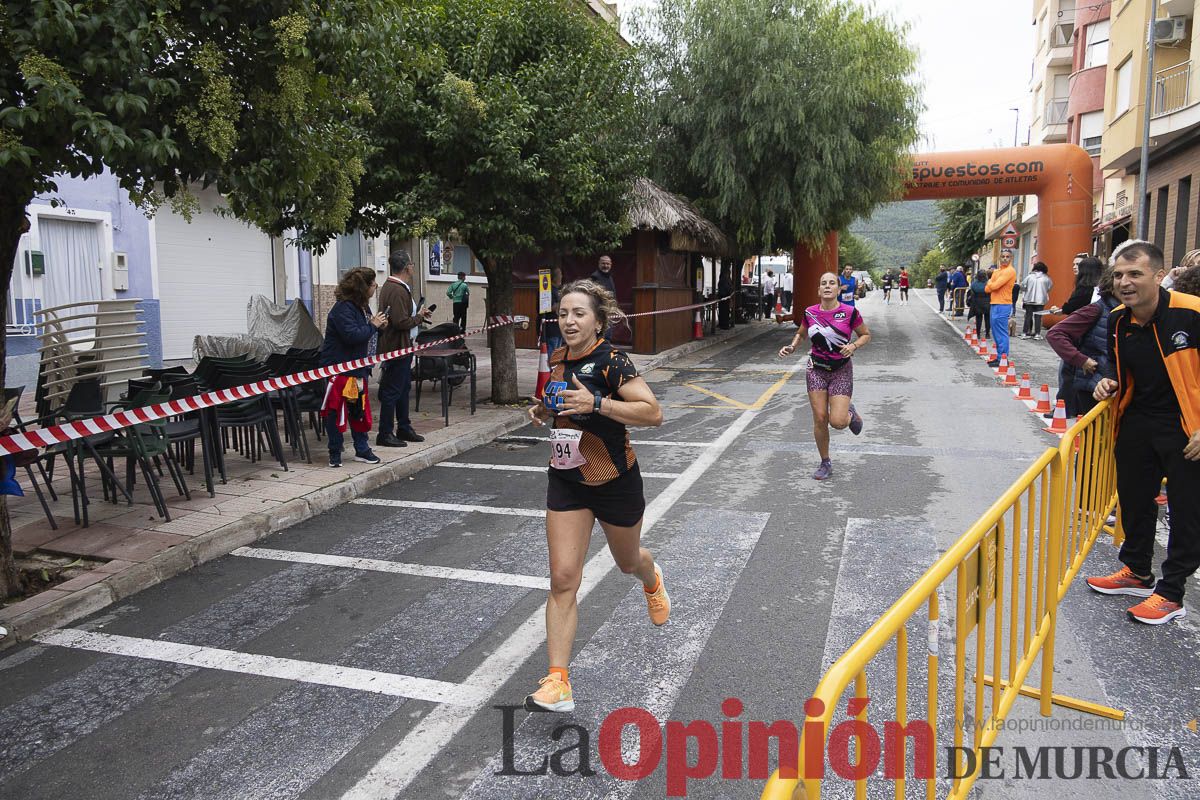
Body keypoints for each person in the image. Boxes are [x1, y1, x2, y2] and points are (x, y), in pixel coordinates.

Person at [524, 279, 669, 711]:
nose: (568, 321)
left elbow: (653, 413)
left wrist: (597, 405)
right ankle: (558, 681)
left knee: (628, 562)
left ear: (598, 320)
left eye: (578, 314)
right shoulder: (558, 356)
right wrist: (543, 408)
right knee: (563, 578)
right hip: (567, 478)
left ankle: (651, 576)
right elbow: (558, 399)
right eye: (563, 313)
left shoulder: (613, 361)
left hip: (614, 482)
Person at [1087, 241, 1200, 625]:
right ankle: (1136, 571)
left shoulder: (1192, 313)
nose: (1125, 282)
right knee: (1134, 498)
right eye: (1118, 275)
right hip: (1137, 422)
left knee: (1186, 510)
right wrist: (1108, 384)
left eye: (1134, 274)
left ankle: (1171, 593)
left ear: (1158, 274)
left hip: (1188, 429)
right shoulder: (1119, 319)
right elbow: (1123, 370)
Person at [778, 271, 871, 481]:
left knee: (837, 422)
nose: (828, 286)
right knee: (820, 419)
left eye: (832, 283)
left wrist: (853, 345)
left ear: (839, 289)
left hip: (841, 371)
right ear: (819, 290)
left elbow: (866, 334)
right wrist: (792, 347)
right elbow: (801, 334)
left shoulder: (849, 312)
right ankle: (825, 462)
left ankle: (850, 413)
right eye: (823, 283)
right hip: (816, 370)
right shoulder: (810, 313)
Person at [320, 267, 388, 466]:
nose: (375, 287)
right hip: (339, 371)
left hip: (358, 369)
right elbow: (352, 336)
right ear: (363, 287)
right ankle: (335, 453)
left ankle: (362, 449)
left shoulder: (362, 307)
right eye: (373, 283)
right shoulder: (343, 309)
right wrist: (373, 326)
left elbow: (366, 335)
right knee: (335, 411)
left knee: (358, 409)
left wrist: (379, 329)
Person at [377, 252, 433, 448]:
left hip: (401, 345)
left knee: (403, 388)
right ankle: (385, 432)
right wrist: (418, 317)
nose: (413, 267)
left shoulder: (393, 287)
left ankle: (404, 426)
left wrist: (418, 315)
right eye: (412, 264)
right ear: (408, 267)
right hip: (397, 346)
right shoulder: (397, 289)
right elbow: (400, 322)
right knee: (393, 390)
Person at [1045, 267, 1118, 418]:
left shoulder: (1133, 311)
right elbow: (1055, 334)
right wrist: (1081, 360)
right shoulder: (1096, 309)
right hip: (1093, 384)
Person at [985, 250, 1016, 367]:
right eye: (1002, 256)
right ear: (999, 258)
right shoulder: (997, 271)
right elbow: (987, 289)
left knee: (1001, 332)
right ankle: (1000, 357)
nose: (1005, 259)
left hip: (1003, 304)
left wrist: (990, 283)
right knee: (996, 332)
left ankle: (1003, 358)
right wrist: (991, 284)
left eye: (1007, 257)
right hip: (995, 303)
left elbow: (994, 286)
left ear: (1011, 258)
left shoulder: (1010, 271)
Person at [1020, 261, 1053, 339]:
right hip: (1040, 301)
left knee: (1028, 316)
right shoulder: (1046, 278)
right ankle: (1037, 334)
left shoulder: (1029, 277)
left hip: (1029, 299)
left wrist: (1027, 290)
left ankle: (1025, 333)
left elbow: (1022, 286)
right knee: (1038, 317)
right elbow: (1049, 287)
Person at [591, 255, 617, 338]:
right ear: (599, 264)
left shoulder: (609, 276)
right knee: (601, 336)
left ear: (611, 264)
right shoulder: (595, 277)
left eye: (607, 264)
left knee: (608, 336)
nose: (605, 266)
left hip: (609, 311)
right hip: (600, 312)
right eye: (603, 263)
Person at [967, 269, 991, 340]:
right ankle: (987, 334)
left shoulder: (974, 283)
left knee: (979, 318)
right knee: (987, 318)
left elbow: (972, 292)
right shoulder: (988, 283)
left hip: (977, 302)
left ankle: (978, 334)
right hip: (987, 302)